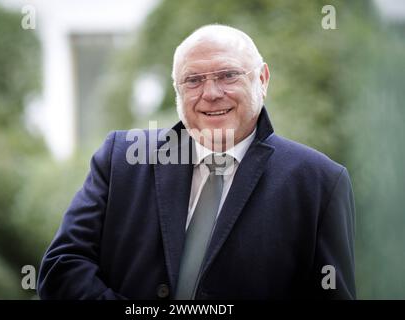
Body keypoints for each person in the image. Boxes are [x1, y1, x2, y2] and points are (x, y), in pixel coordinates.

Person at [37, 24, 356, 300]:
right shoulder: (121, 158)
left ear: (263, 79)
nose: (211, 93)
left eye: (228, 75)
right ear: (177, 92)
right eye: (193, 80)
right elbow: (61, 268)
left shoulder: (319, 183)